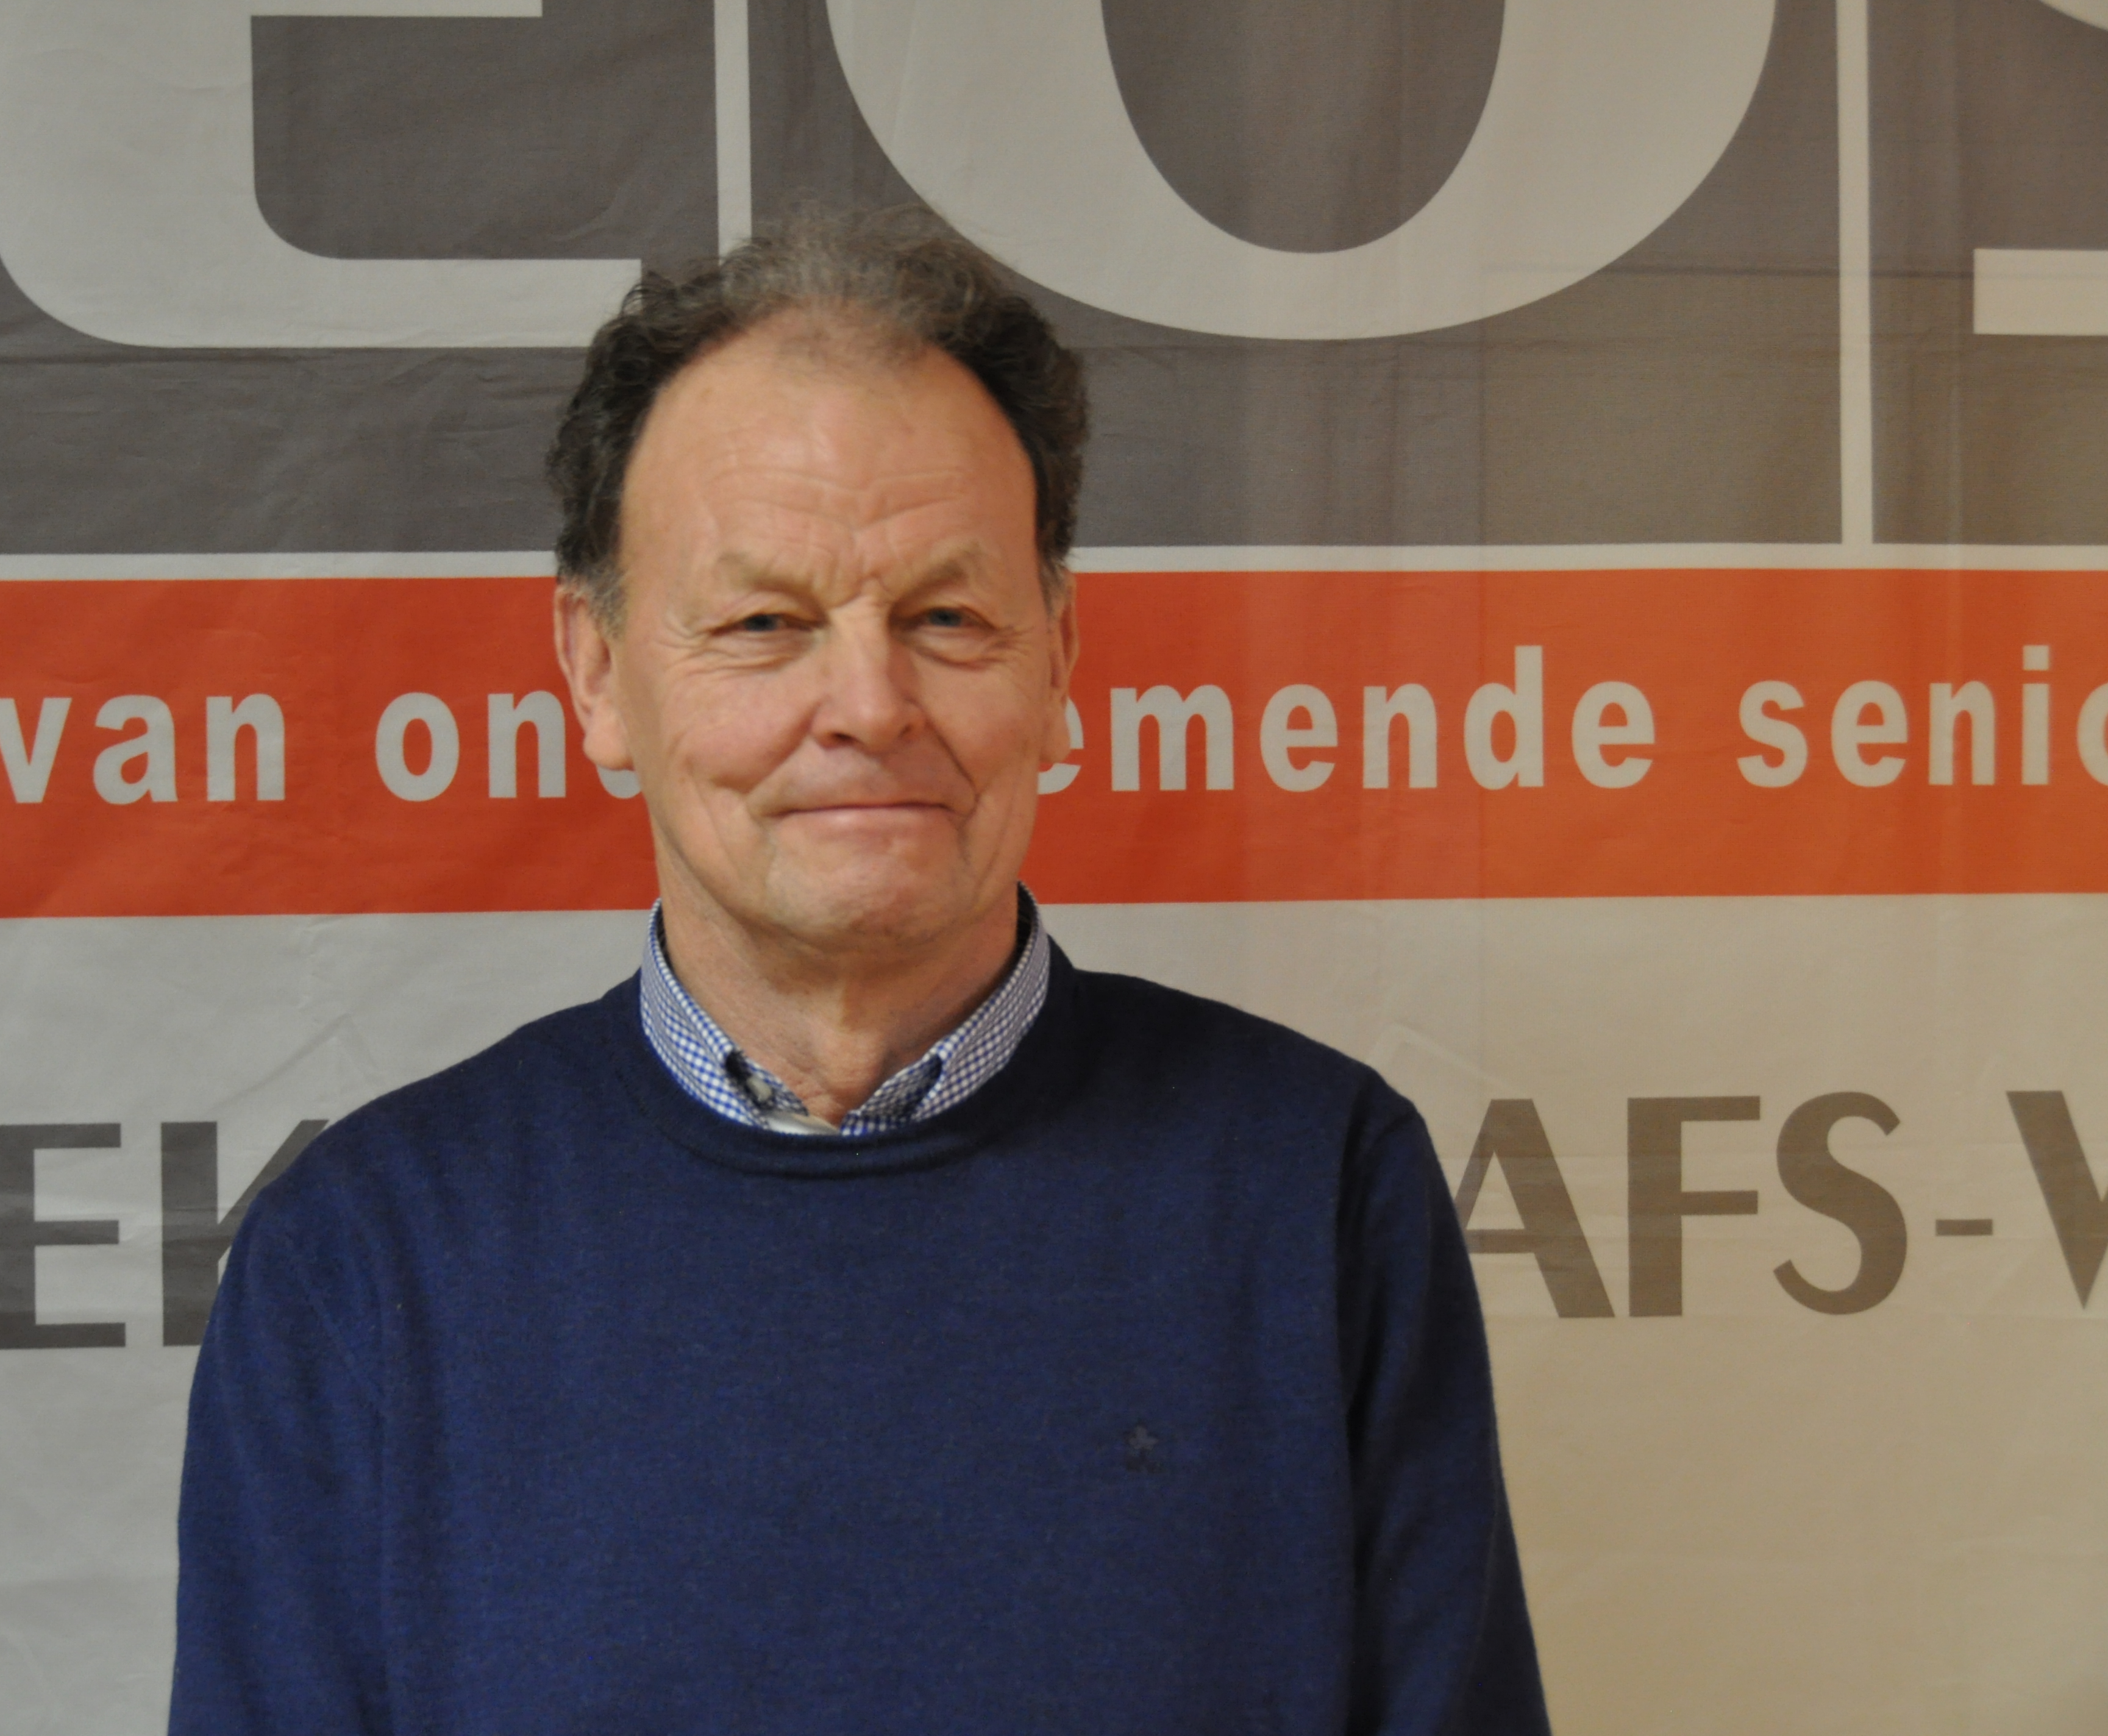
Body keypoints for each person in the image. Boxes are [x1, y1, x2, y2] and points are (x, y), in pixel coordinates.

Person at [169, 210, 1550, 1734]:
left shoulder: (1318, 1189)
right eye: (764, 622)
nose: (868, 704)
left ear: (1058, 659)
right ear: (595, 672)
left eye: (946, 616)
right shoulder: (359, 1263)